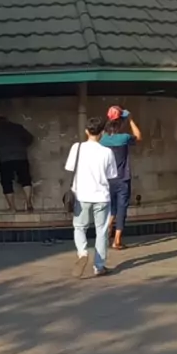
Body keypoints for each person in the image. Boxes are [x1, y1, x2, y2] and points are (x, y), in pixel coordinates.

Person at [65, 116, 117, 277]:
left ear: (86, 131)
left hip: (81, 195)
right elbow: (112, 175)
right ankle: (99, 267)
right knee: (101, 231)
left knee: (80, 227)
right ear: (102, 133)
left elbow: (70, 168)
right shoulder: (107, 152)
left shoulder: (77, 148)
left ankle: (82, 253)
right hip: (102, 197)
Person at [100, 106, 142, 249]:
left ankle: (107, 226)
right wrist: (130, 120)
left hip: (107, 179)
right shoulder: (124, 138)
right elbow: (139, 136)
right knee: (122, 207)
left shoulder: (103, 139)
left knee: (111, 206)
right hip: (123, 178)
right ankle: (117, 240)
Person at [0, 115, 34, 211]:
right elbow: (30, 138)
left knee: (6, 182)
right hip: (21, 157)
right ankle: (28, 202)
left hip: (5, 159)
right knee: (26, 180)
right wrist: (21, 146)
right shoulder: (17, 127)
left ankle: (12, 207)